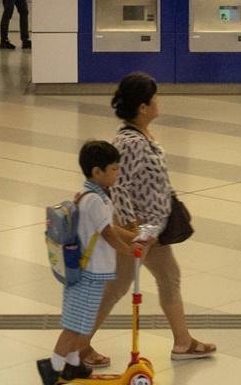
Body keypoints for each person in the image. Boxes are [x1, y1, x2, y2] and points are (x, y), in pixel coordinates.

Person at [81, 73, 216, 368]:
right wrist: (132, 228)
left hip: (152, 227)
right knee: (118, 286)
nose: (158, 101)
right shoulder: (130, 142)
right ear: (142, 107)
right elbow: (119, 186)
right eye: (154, 97)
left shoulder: (142, 135)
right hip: (139, 228)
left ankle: (183, 342)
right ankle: (79, 345)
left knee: (168, 276)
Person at [37, 140, 138, 385]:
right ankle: (53, 367)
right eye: (113, 168)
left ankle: (73, 364)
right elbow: (107, 233)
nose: (118, 173)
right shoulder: (94, 200)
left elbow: (108, 227)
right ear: (97, 172)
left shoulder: (93, 196)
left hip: (90, 270)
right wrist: (127, 250)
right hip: (89, 272)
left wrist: (133, 237)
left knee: (82, 322)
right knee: (74, 325)